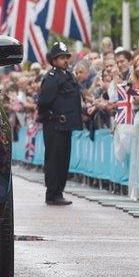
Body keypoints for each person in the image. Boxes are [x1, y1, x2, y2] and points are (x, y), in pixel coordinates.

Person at [37, 42, 82, 206]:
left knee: (63, 160)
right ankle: (52, 193)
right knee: (54, 160)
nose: (65, 60)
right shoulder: (51, 78)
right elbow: (43, 102)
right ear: (54, 60)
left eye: (66, 57)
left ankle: (59, 192)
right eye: (61, 58)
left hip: (66, 126)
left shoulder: (69, 76)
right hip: (54, 125)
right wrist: (52, 117)